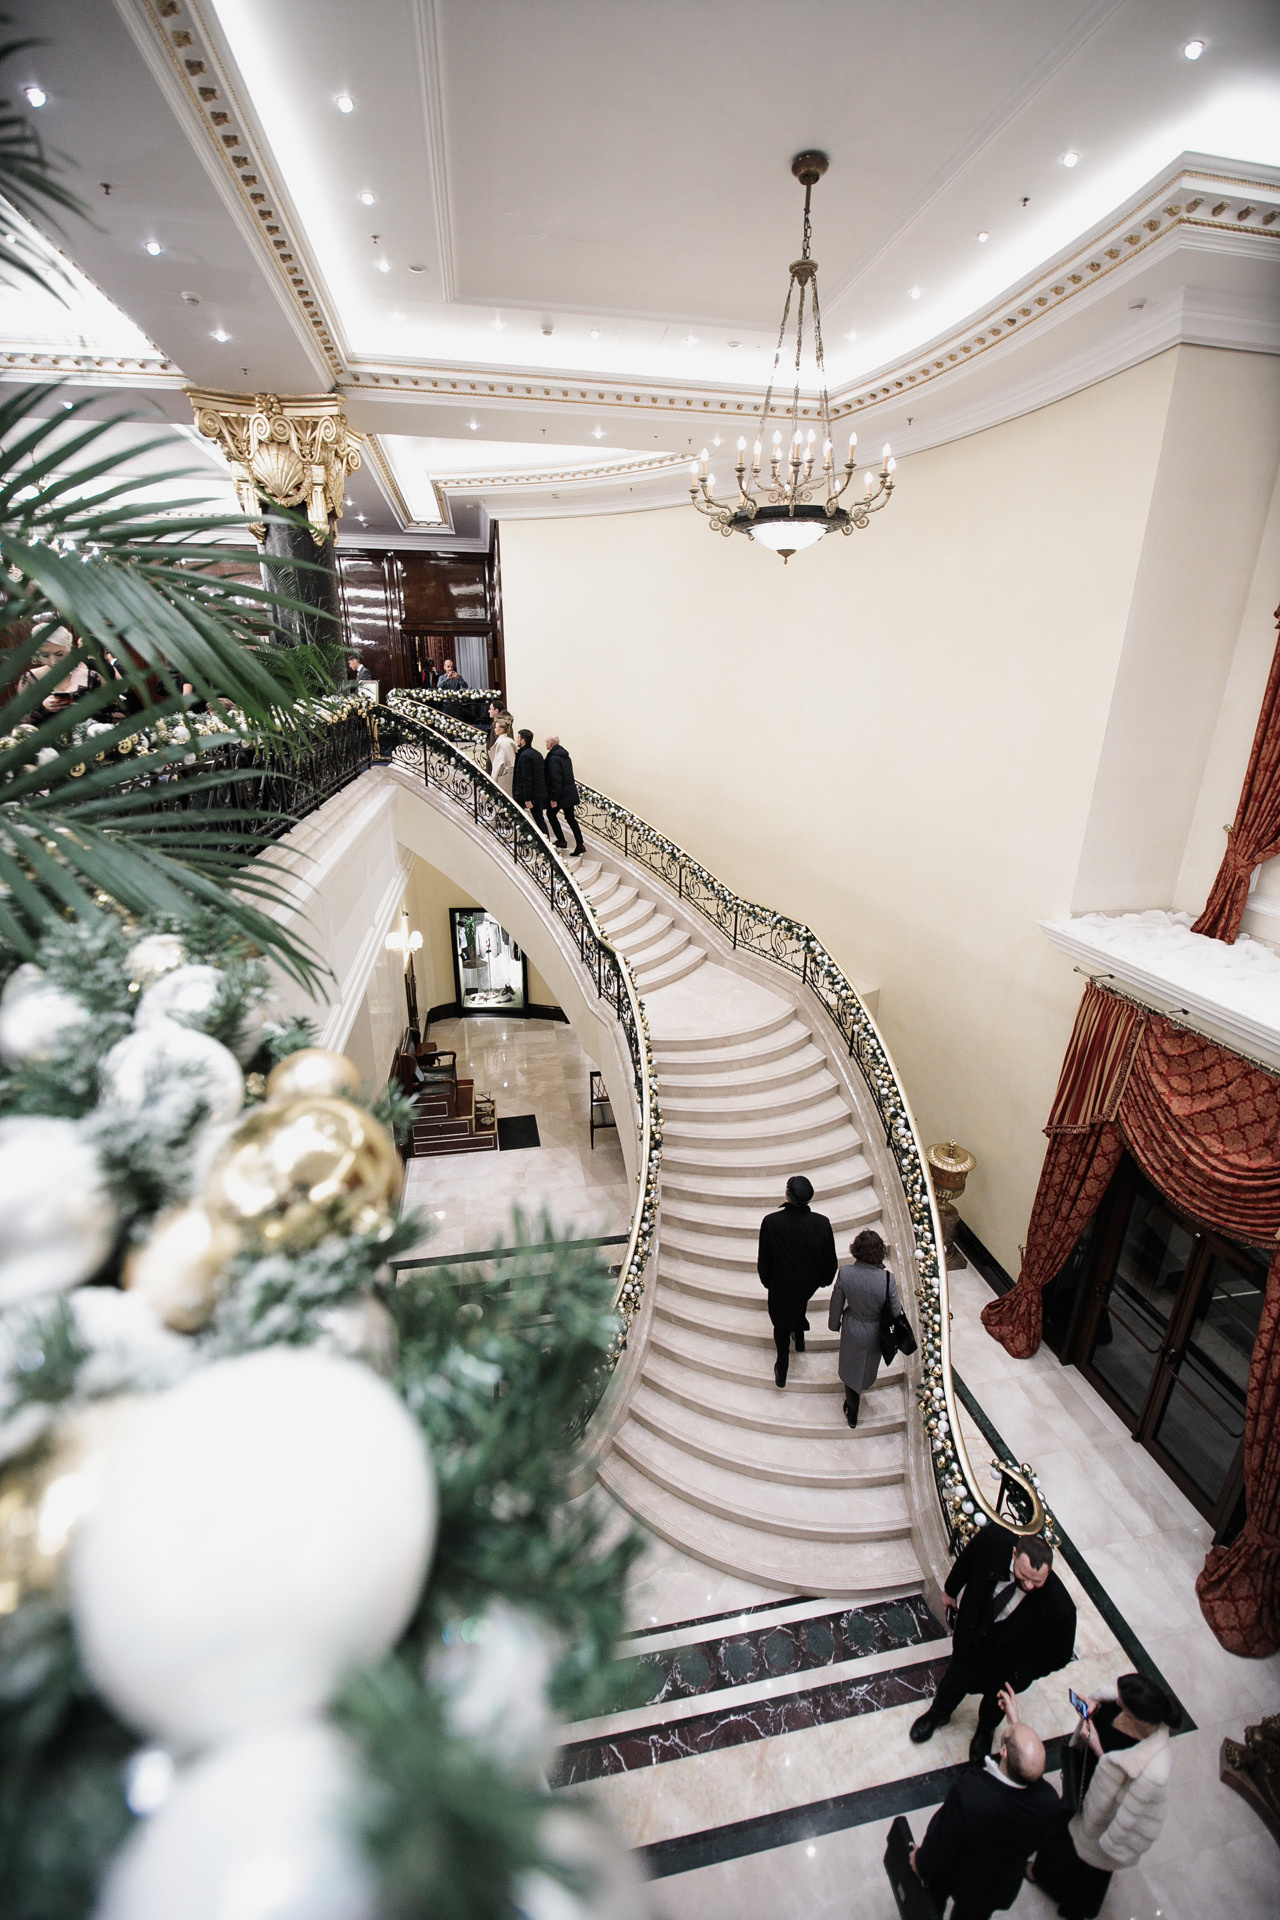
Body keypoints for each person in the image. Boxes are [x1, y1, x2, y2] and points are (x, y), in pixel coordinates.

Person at [910, 1526, 1077, 1763]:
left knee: (995, 1704)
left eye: (1037, 1581)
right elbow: (967, 1561)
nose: (1029, 1585)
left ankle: (984, 1731)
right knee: (955, 1679)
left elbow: (1061, 1654)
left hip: (1008, 1666)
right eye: (1024, 1576)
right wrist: (950, 1591)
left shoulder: (1060, 1607)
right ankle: (938, 1714)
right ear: (1013, 1554)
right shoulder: (993, 1541)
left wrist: (1023, 1671)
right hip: (972, 1638)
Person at [1026, 1673, 1179, 1918]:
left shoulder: (1155, 1769)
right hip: (1083, 1785)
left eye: (1122, 1705)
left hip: (1102, 1813)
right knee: (1061, 1834)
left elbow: (1132, 1819)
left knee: (1089, 1862)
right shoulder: (1124, 1700)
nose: (1116, 1703)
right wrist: (1094, 1706)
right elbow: (1110, 1694)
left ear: (1136, 1715)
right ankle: (1044, 1874)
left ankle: (1073, 1904)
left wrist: (1097, 1746)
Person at [912, 1695, 1061, 1920]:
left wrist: (921, 1863)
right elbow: (1025, 1763)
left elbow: (942, 1838)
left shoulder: (971, 1793)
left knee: (932, 1903)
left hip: (955, 1871)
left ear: (1004, 1752)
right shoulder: (1049, 1803)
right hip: (994, 1886)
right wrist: (1015, 1722)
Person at [756, 1175, 837, 1388]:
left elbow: (764, 1259)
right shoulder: (821, 1223)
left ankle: (782, 1366)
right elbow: (830, 1260)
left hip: (781, 1284)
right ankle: (799, 1338)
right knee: (799, 1302)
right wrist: (823, 1280)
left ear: (787, 1196)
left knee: (781, 1325)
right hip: (807, 1282)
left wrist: (767, 1281)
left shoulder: (772, 1222)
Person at [827, 1226, 902, 1429]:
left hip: (853, 1327)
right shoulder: (887, 1279)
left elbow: (836, 1303)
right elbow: (896, 1311)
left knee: (851, 1366)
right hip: (875, 1329)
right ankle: (858, 1396)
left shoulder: (845, 1273)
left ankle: (852, 1409)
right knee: (867, 1366)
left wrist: (834, 1325)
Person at [545, 735, 585, 856]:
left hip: (561, 794)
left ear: (551, 744)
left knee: (550, 814)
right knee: (571, 818)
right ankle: (579, 844)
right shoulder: (565, 756)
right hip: (569, 793)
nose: (546, 745)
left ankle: (561, 840)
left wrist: (554, 798)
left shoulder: (553, 758)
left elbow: (556, 779)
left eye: (546, 742)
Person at [512, 728, 551, 836]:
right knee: (539, 820)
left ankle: (526, 838)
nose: (517, 740)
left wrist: (527, 798)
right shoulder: (537, 754)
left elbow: (526, 778)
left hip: (525, 794)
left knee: (519, 818)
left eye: (518, 738)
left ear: (523, 740)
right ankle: (546, 842)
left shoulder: (524, 756)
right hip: (538, 793)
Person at [489, 718, 516, 798]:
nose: (494, 729)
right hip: (509, 774)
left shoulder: (502, 743)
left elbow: (499, 763)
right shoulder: (509, 741)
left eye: (496, 727)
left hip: (503, 776)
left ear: (501, 730)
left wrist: (493, 778)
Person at [487, 697, 514, 766]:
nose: (488, 711)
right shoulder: (504, 721)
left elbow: (498, 744)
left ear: (496, 711)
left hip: (498, 762)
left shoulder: (500, 723)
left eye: (490, 709)